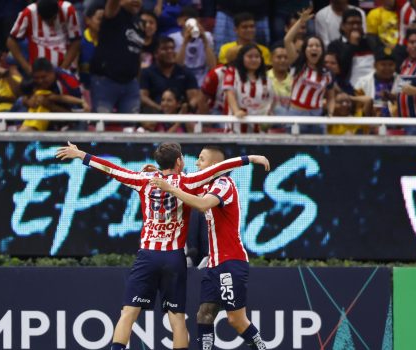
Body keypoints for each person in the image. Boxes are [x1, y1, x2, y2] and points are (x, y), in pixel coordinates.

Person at [55, 142, 270, 350]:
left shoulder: (145, 180)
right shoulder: (189, 181)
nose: (194, 163)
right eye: (188, 159)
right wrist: (249, 159)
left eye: (201, 159)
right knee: (181, 319)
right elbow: (220, 168)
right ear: (179, 161)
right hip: (175, 258)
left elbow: (113, 169)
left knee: (128, 313)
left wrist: (82, 155)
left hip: (151, 256)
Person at [149, 145, 269, 350]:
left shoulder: (224, 183)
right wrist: (160, 173)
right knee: (204, 314)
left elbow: (203, 204)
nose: (196, 163)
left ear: (214, 166)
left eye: (201, 159)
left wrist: (170, 188)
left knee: (236, 319)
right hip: (214, 263)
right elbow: (180, 183)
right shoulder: (204, 184)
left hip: (231, 261)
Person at [90, 0, 144, 114]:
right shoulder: (114, 13)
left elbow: (137, 54)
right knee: (101, 124)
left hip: (130, 84)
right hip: (106, 82)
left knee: (130, 127)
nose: (136, 1)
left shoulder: (139, 23)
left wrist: (137, 81)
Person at [7, 0, 81, 74]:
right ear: (38, 14)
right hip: (39, 74)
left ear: (58, 10)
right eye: (46, 20)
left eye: (53, 18)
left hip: (65, 69)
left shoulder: (68, 10)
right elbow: (11, 41)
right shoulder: (28, 13)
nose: (50, 23)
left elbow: (76, 41)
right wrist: (27, 68)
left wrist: (62, 69)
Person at [19, 58, 88, 131]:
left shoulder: (69, 82)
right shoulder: (32, 79)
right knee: (19, 102)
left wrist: (51, 106)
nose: (40, 81)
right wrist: (27, 101)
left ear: (52, 72)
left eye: (43, 77)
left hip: (71, 118)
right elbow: (23, 97)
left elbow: (75, 116)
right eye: (37, 78)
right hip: (35, 120)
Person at [287, 35, 335, 134]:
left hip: (317, 115)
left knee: (319, 148)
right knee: (297, 149)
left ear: (322, 51)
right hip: (296, 114)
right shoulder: (297, 65)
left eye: (317, 45)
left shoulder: (328, 73)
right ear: (305, 50)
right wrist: (301, 21)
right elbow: (287, 40)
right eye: (310, 45)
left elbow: (331, 97)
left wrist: (330, 112)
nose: (314, 48)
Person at [139, 37, 200, 114]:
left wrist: (186, 108)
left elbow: (194, 97)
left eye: (172, 48)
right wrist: (160, 109)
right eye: (165, 49)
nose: (170, 51)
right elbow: (143, 97)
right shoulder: (147, 73)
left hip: (181, 117)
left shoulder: (186, 73)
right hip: (155, 116)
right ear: (156, 54)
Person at [223, 44, 274, 132]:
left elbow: (270, 99)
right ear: (241, 58)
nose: (254, 60)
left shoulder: (266, 77)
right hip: (236, 126)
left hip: (259, 128)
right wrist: (236, 111)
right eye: (250, 57)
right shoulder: (232, 72)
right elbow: (229, 93)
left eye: (257, 56)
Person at [327, 8, 375, 87]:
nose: (355, 26)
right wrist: (352, 45)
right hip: (347, 87)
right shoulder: (334, 46)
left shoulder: (370, 42)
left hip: (371, 85)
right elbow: (341, 71)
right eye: (351, 23)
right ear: (343, 26)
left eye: (358, 23)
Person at [169, 6, 216, 86]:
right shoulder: (173, 38)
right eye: (186, 20)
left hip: (202, 80)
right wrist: (185, 43)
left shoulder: (207, 36)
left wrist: (204, 41)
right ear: (179, 21)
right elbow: (177, 66)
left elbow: (213, 66)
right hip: (182, 79)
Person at [353, 50, 397, 117]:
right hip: (369, 123)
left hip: (398, 123)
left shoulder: (402, 82)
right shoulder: (362, 82)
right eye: (383, 64)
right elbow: (356, 106)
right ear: (375, 65)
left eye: (391, 65)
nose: (387, 68)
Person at [268, 43, 293, 116]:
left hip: (290, 120)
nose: (283, 60)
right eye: (279, 57)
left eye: (286, 57)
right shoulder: (264, 78)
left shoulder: (295, 80)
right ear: (271, 59)